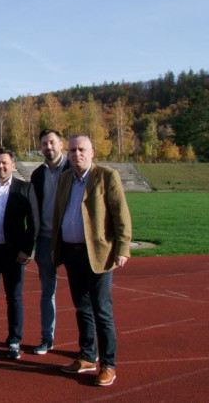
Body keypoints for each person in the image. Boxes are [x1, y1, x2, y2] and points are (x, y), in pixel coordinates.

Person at [51, 135, 132, 387]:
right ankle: (87, 356)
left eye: (82, 149)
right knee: (82, 308)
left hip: (98, 254)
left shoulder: (107, 176)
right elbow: (58, 215)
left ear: (92, 152)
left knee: (102, 311)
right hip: (72, 253)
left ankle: (108, 365)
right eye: (73, 150)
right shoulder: (65, 178)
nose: (77, 154)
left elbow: (121, 214)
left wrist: (123, 247)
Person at [0, 149, 38, 360]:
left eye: (4, 163)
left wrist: (26, 249)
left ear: (13, 165)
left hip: (13, 254)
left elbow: (33, 222)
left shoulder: (24, 188)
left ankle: (14, 340)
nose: (0, 166)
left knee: (14, 298)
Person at [29, 128, 71, 355]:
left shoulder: (73, 169)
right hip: (45, 240)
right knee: (47, 292)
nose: (48, 147)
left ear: (61, 144)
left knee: (81, 294)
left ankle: (88, 343)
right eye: (44, 144)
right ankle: (47, 338)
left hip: (71, 240)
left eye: (52, 143)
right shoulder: (38, 174)